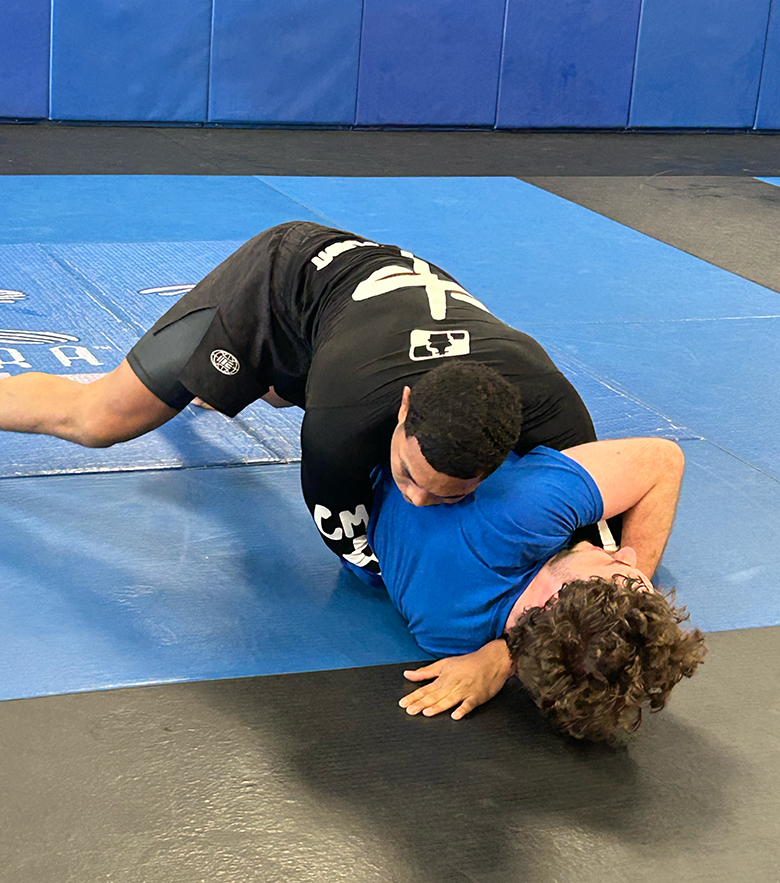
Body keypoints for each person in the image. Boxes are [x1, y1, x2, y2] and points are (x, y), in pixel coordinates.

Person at [0, 221, 602, 576]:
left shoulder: (550, 405)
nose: (416, 499)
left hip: (358, 322)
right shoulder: (341, 420)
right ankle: (242, 376)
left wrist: (608, 572)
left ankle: (251, 386)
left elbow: (609, 536)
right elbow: (364, 557)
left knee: (286, 389)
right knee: (103, 418)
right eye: (408, 475)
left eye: (447, 493)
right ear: (402, 413)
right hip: (279, 286)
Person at [354, 437, 706, 741]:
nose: (629, 555)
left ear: (556, 598)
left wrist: (628, 591)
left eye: (617, 571)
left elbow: (664, 460)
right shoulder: (447, 638)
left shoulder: (526, 516)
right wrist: (505, 656)